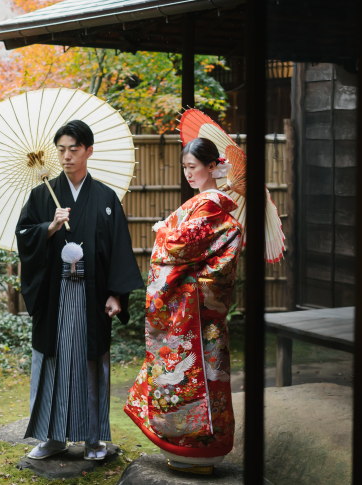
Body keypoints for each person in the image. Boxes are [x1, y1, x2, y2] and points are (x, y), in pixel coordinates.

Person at [16, 120, 144, 461]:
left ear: (89, 149)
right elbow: (24, 236)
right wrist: (49, 226)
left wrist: (116, 294)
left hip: (92, 294)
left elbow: (118, 248)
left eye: (74, 149)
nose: (67, 156)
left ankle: (94, 440)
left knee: (90, 364)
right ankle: (52, 437)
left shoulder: (105, 197)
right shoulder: (42, 194)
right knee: (53, 361)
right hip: (55, 293)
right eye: (61, 149)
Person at [124, 137, 242, 474]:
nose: (188, 173)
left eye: (193, 167)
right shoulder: (211, 205)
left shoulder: (209, 205)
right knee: (206, 376)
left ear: (210, 166)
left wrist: (163, 230)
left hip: (192, 313)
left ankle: (191, 447)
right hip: (205, 314)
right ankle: (204, 449)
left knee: (193, 377)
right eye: (185, 168)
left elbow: (176, 248)